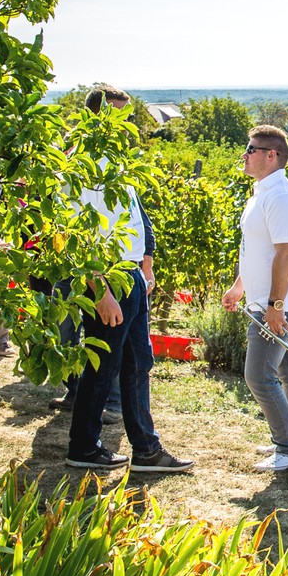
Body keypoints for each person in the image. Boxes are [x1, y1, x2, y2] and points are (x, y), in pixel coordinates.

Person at [65, 83, 192, 473]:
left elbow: (136, 218)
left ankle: (146, 450)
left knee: (139, 362)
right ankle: (84, 446)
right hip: (109, 279)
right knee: (103, 366)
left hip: (131, 276)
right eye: (120, 116)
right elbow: (75, 233)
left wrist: (145, 266)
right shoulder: (83, 165)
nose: (129, 125)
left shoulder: (116, 161)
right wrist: (100, 290)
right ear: (97, 116)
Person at [222, 125, 288, 471]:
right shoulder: (262, 194)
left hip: (279, 304)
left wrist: (275, 307)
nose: (245, 154)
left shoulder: (281, 198)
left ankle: (287, 448)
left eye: (251, 148)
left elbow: (286, 255)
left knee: (258, 375)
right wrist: (239, 287)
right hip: (269, 301)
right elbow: (259, 251)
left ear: (272, 155)